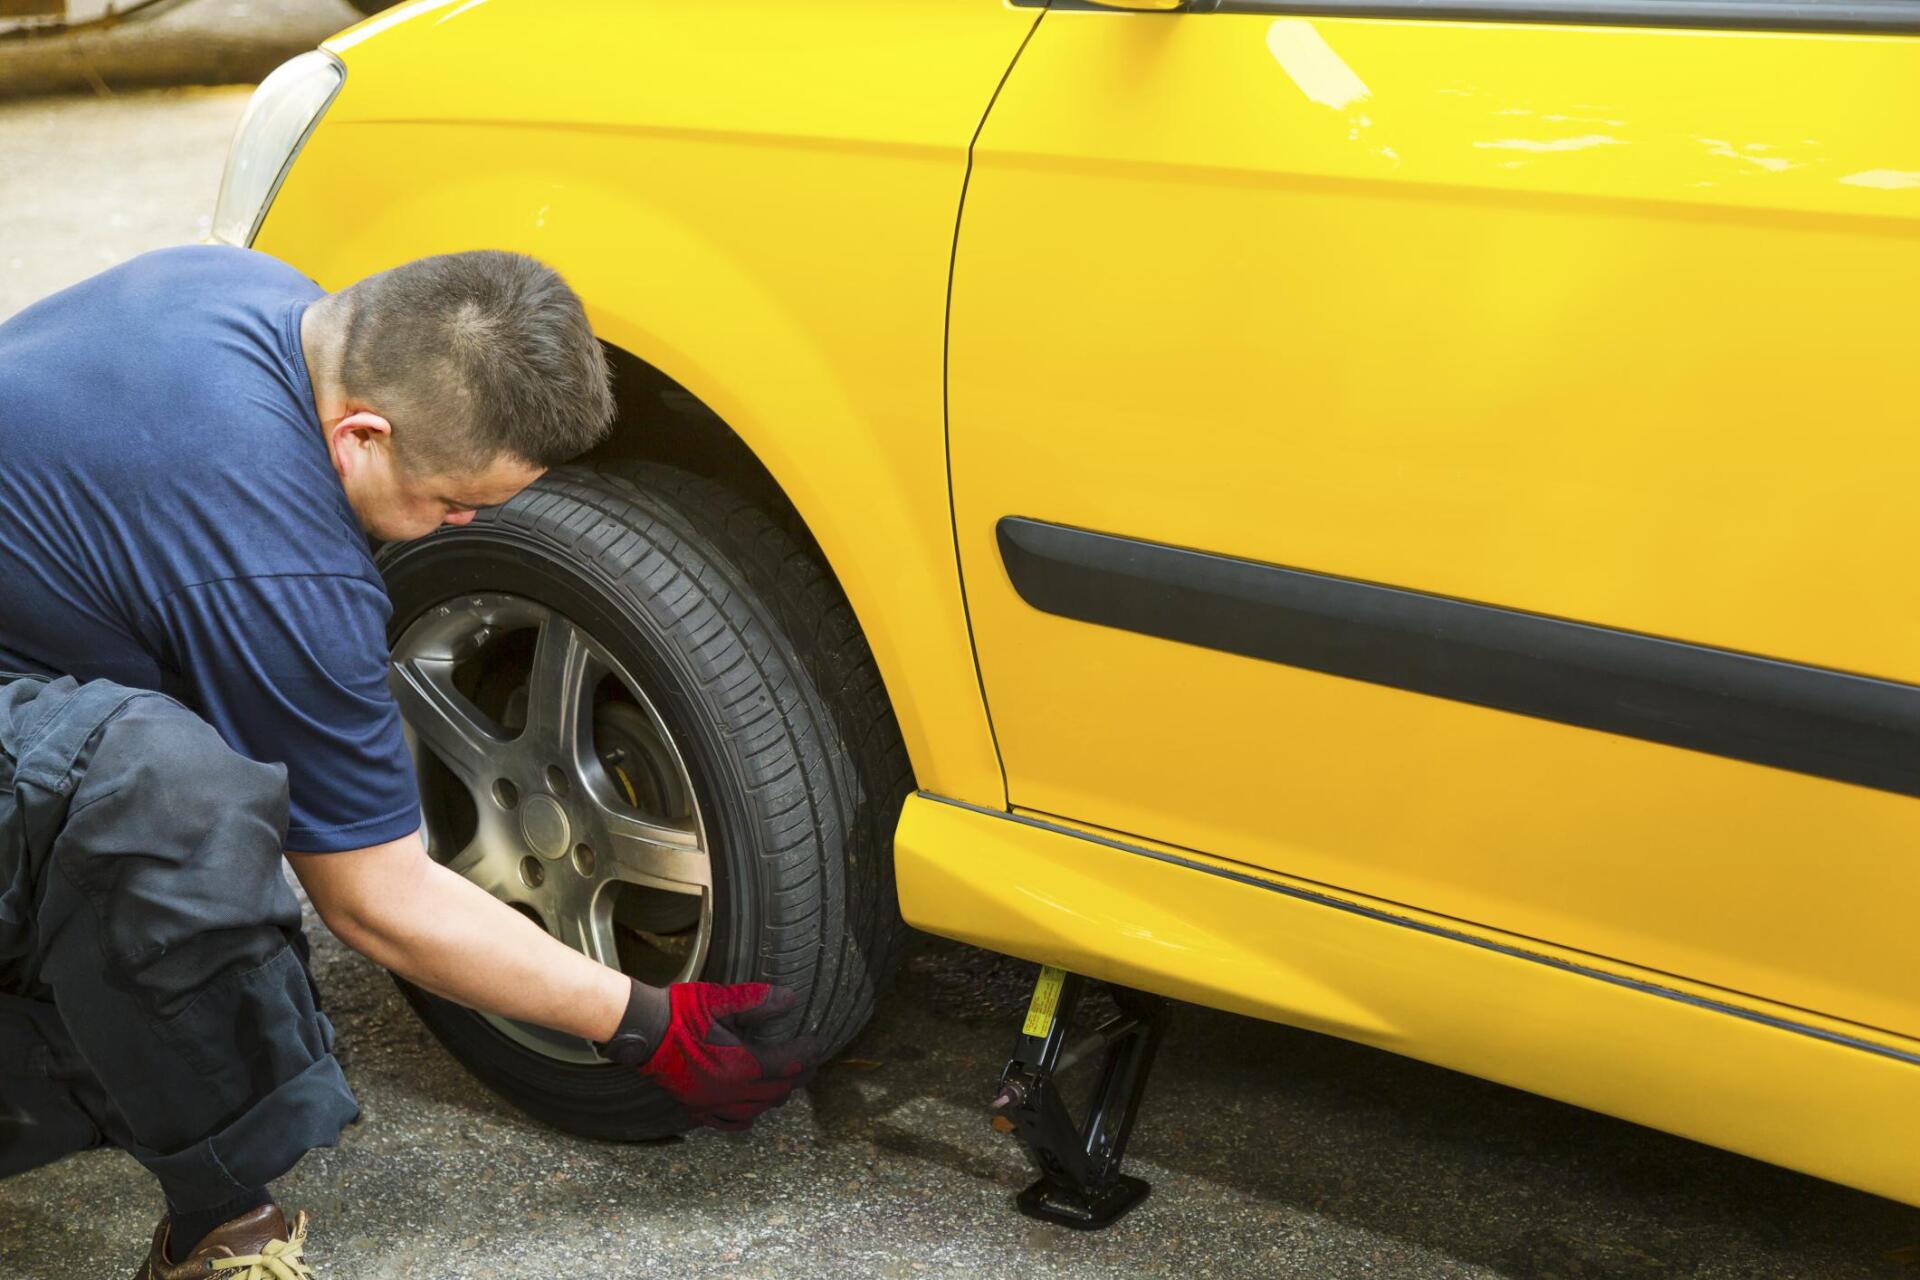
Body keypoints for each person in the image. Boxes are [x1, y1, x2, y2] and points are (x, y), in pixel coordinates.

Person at [0, 246, 811, 1278]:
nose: (462, 526)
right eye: (448, 502)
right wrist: (645, 1020)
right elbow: (380, 903)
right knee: (169, 808)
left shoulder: (241, 291)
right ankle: (218, 1218)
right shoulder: (276, 556)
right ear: (362, 435)